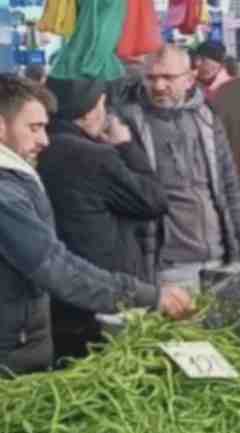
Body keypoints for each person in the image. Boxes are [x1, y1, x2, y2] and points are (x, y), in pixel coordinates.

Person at [0, 76, 191, 376]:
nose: (44, 140)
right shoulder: (5, 194)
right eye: (34, 128)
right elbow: (53, 265)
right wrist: (146, 296)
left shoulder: (16, 178)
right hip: (11, 355)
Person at [38, 78, 169, 361]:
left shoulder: (39, 148)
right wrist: (125, 146)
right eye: (103, 105)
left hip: (54, 293)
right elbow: (153, 200)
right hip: (101, 291)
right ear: (88, 112)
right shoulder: (95, 156)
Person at [117, 45, 240, 292]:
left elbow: (228, 183)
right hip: (167, 264)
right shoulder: (129, 123)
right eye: (151, 77)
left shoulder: (206, 117)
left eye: (168, 77)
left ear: (189, 79)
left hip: (219, 255)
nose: (158, 86)